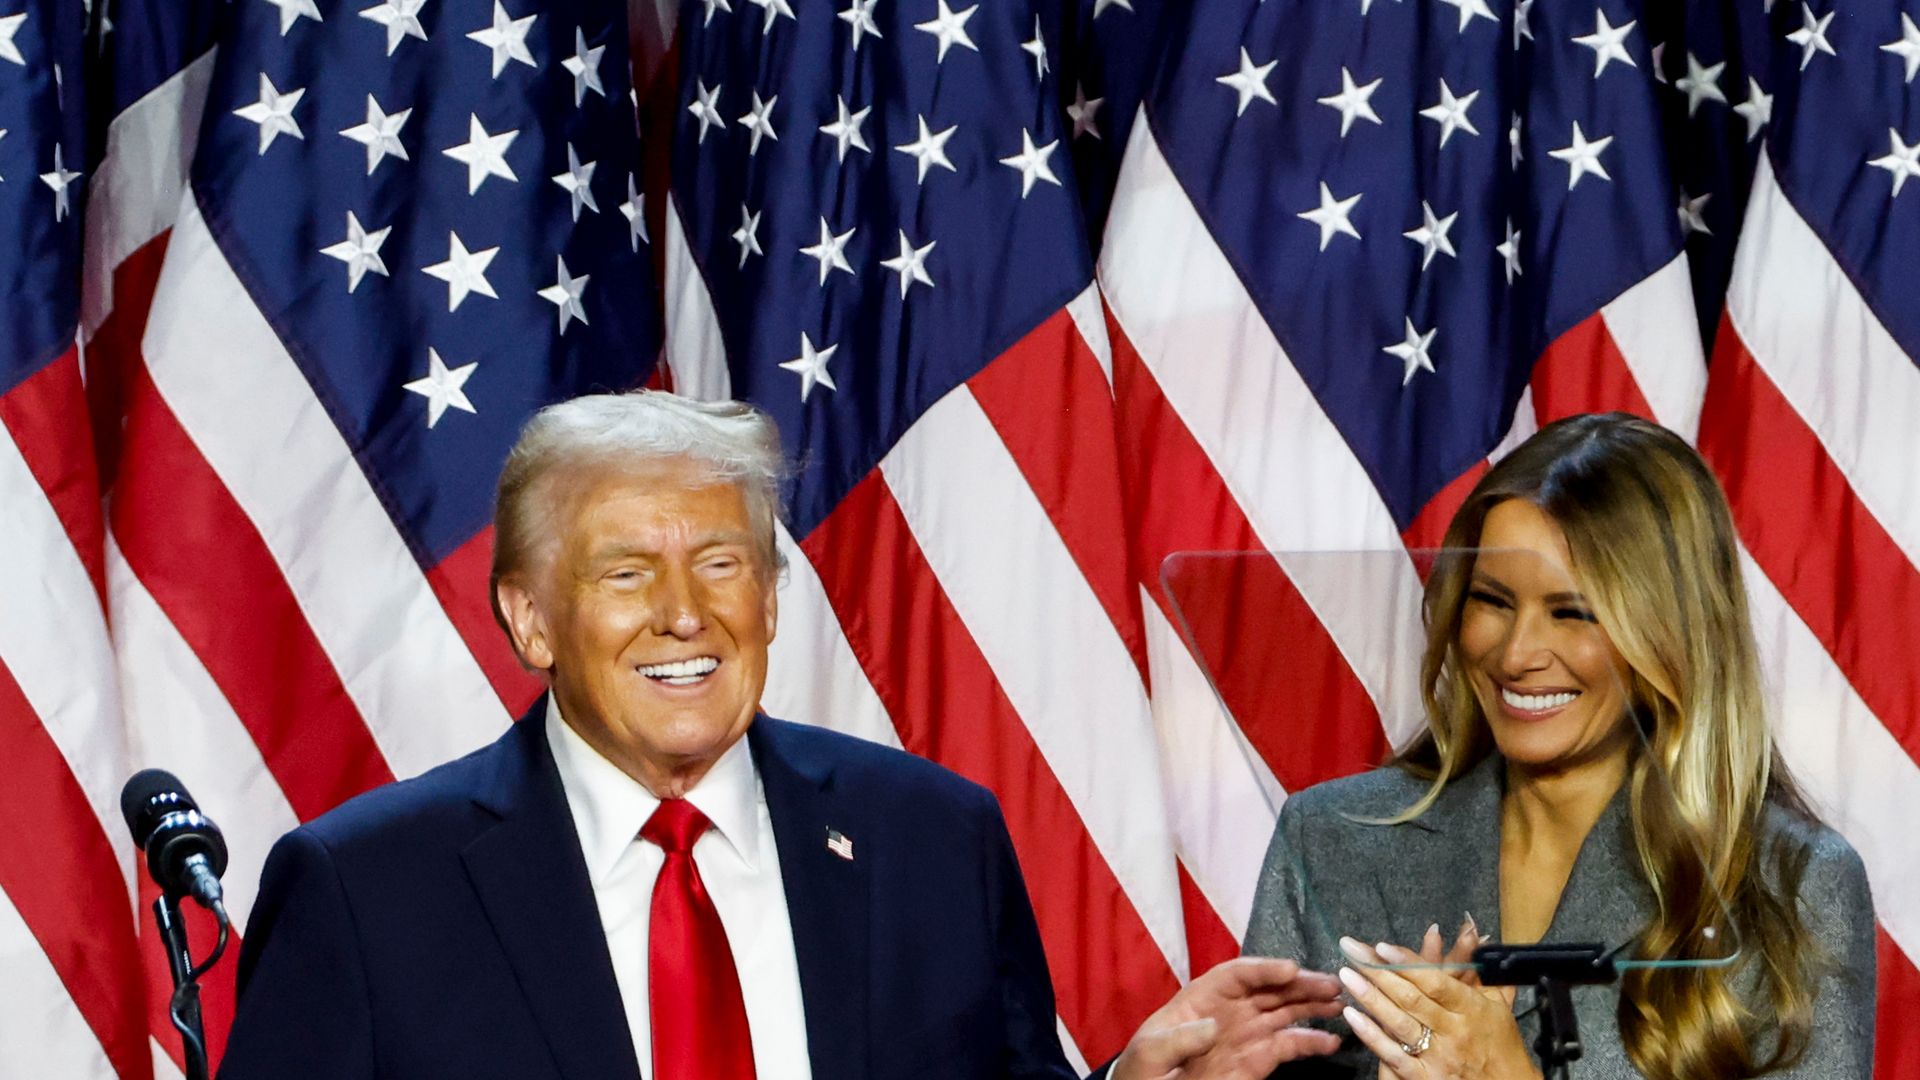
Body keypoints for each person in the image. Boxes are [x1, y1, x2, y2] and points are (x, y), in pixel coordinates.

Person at [218, 390, 1346, 1080]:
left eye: (721, 565)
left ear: (768, 596)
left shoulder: (929, 838)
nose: (683, 613)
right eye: (626, 573)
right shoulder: (368, 891)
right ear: (529, 618)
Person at [1242, 412, 1876, 1079]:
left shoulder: (1794, 884)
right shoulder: (1329, 838)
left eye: (1572, 612)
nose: (1517, 655)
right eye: (1492, 601)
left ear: (1672, 633)